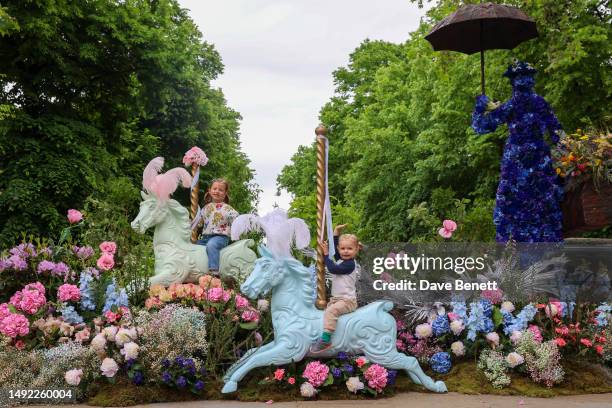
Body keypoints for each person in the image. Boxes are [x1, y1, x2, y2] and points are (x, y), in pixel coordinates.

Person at [310, 224, 360, 353]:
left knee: (331, 312)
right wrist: (336, 232)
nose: (345, 251)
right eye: (342, 248)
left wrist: (326, 255)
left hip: (347, 301)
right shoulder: (341, 260)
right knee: (327, 312)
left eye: (350, 248)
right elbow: (336, 249)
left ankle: (326, 340)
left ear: (356, 250)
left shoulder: (349, 264)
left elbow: (333, 269)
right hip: (337, 299)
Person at [197, 178, 239, 273]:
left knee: (212, 245)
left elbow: (236, 219)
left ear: (225, 193)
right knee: (196, 246)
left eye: (220, 190)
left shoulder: (227, 208)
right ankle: (198, 270)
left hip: (220, 237)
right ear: (210, 190)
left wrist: (238, 224)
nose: (217, 191)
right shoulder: (206, 208)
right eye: (215, 189)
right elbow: (199, 222)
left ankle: (214, 270)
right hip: (205, 237)